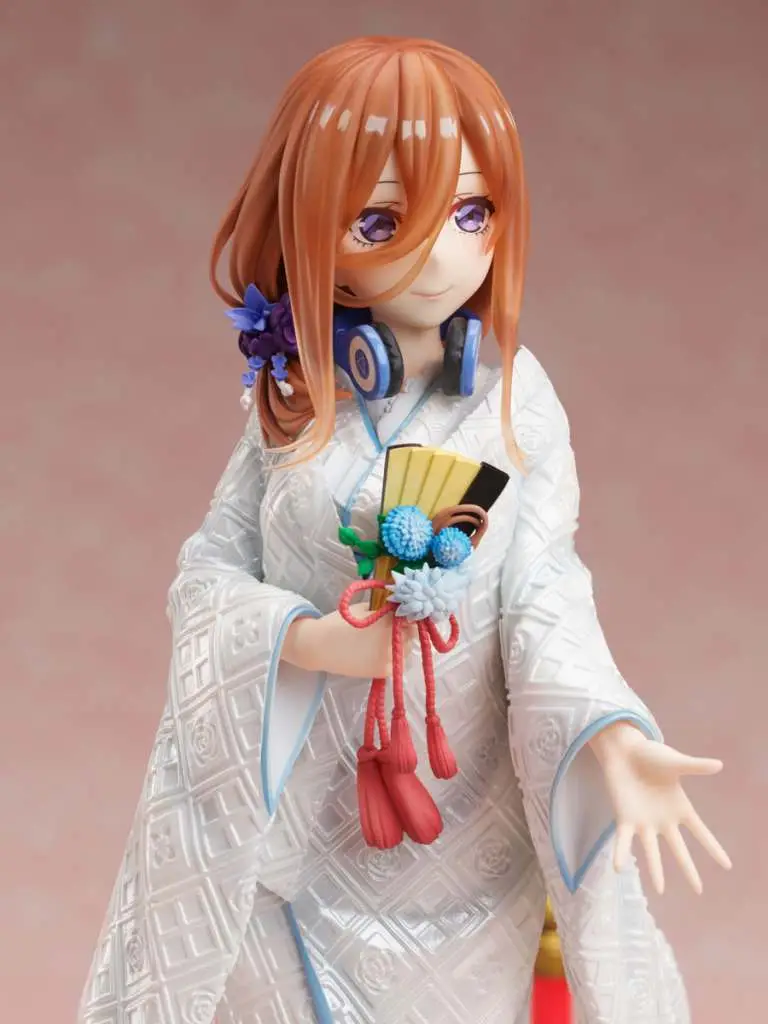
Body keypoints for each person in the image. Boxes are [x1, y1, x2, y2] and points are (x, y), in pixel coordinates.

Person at [79, 36, 731, 1024]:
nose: (439, 256)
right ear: (309, 223)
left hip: (466, 843)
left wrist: (607, 731)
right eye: (382, 221)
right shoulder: (294, 400)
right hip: (296, 836)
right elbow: (208, 574)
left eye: (472, 214)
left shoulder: (517, 405)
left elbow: (548, 592)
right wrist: (307, 641)